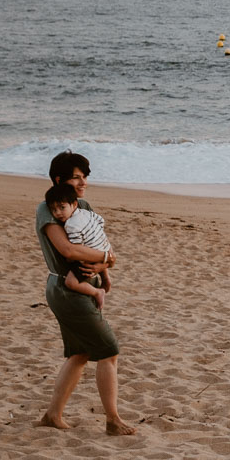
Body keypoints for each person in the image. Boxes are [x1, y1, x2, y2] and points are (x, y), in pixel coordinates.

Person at [35, 151, 136, 435]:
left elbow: (98, 240)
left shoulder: (82, 205)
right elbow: (68, 250)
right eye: (76, 178)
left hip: (81, 286)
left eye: (85, 177)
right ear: (59, 179)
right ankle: (113, 421)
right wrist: (106, 257)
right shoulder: (48, 208)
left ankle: (52, 415)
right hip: (67, 289)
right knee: (109, 351)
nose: (83, 183)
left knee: (79, 353)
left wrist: (107, 262)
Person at [44, 182, 115, 309]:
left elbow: (77, 249)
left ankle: (97, 292)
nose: (58, 213)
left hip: (91, 257)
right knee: (96, 249)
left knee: (70, 282)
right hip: (104, 245)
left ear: (74, 204)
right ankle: (105, 278)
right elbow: (100, 220)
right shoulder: (85, 212)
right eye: (54, 210)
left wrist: (70, 259)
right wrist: (95, 234)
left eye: (62, 207)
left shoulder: (70, 225)